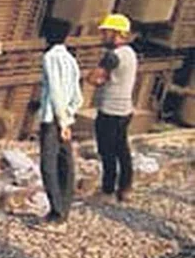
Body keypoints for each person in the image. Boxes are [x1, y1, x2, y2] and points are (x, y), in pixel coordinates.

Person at [39, 19, 83, 224]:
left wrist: (62, 122)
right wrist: (69, 115)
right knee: (66, 164)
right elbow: (78, 96)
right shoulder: (71, 59)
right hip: (66, 118)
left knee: (48, 166)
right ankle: (64, 208)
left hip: (52, 119)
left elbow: (55, 91)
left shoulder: (50, 57)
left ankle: (56, 213)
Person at [90, 13, 137, 203]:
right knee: (122, 150)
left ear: (116, 33)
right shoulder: (130, 53)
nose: (103, 36)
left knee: (107, 151)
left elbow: (94, 78)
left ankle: (107, 190)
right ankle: (126, 188)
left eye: (106, 32)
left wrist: (99, 78)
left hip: (110, 109)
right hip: (126, 109)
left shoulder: (112, 56)